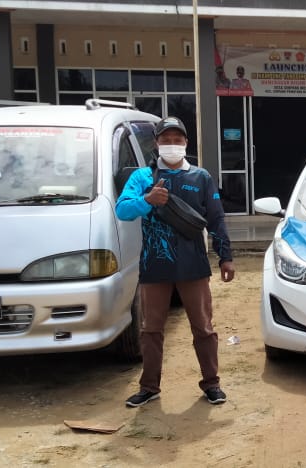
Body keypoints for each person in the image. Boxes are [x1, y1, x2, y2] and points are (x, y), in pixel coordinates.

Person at [116, 116, 235, 408]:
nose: (172, 145)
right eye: (165, 140)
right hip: (154, 266)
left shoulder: (201, 177)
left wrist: (226, 257)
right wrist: (147, 200)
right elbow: (122, 210)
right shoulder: (142, 177)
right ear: (156, 144)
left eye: (177, 140)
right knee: (151, 330)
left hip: (193, 265)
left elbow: (216, 218)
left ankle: (212, 384)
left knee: (203, 327)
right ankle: (149, 387)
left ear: (186, 143)